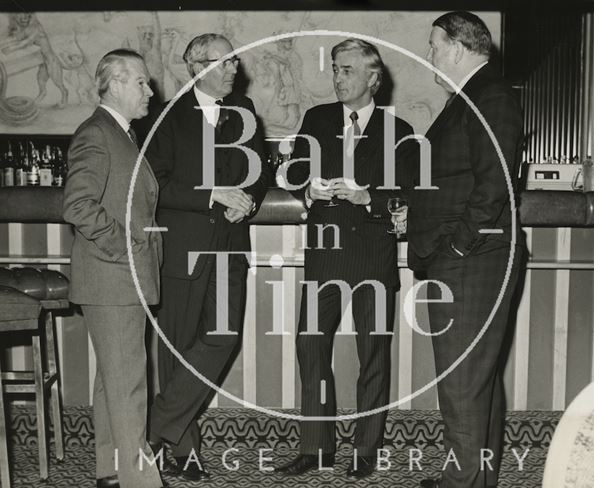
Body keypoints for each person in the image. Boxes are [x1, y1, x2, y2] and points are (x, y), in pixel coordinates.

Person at [275, 38, 417, 479]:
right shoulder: (316, 119)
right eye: (335, 69)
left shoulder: (400, 132)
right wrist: (307, 188)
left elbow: (408, 192)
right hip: (326, 253)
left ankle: (365, 450)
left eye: (348, 70)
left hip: (373, 253)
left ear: (373, 79)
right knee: (310, 346)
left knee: (373, 355)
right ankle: (317, 448)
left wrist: (367, 196)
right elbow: (294, 170)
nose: (338, 78)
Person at [404, 12, 525, 488]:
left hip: (472, 260)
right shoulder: (471, 98)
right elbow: (459, 181)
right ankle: (476, 479)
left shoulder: (489, 96)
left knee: (461, 384)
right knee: (476, 384)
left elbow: (493, 189)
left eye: (433, 45)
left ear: (456, 48)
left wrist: (455, 247)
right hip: (467, 258)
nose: (429, 54)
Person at [146, 33, 271, 482]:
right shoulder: (163, 117)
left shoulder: (246, 112)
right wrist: (212, 194)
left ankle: (156, 425)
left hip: (231, 247)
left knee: (223, 337)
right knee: (177, 348)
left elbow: (261, 169)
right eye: (225, 62)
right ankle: (184, 450)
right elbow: (153, 184)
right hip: (182, 251)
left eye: (235, 62)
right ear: (196, 66)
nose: (235, 69)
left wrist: (251, 201)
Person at [62, 49, 163, 488]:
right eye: (141, 82)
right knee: (129, 390)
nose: (150, 90)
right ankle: (141, 483)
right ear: (116, 84)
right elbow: (78, 205)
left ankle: (110, 472)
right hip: (115, 279)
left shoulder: (119, 134)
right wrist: (129, 248)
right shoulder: (99, 134)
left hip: (115, 282)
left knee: (112, 385)